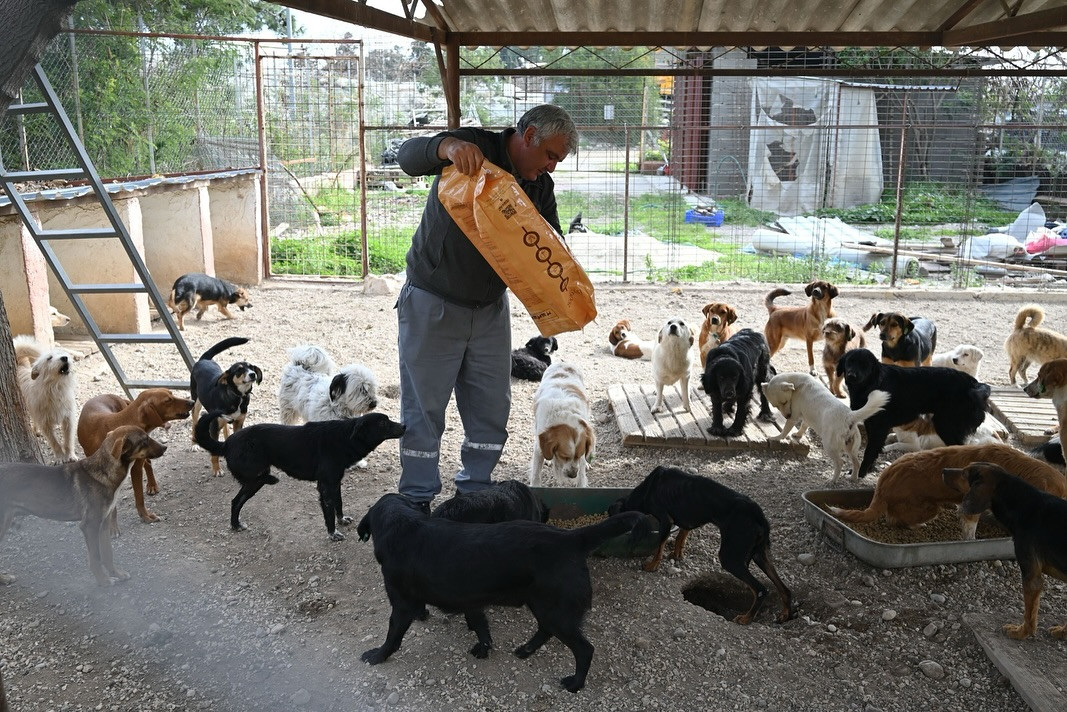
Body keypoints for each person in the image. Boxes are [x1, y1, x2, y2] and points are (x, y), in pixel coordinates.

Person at [394, 104, 579, 511]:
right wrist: (446, 146)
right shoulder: (475, 146)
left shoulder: (538, 186)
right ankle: (417, 501)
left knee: (492, 410)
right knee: (423, 410)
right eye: (550, 156)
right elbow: (407, 156)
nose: (551, 167)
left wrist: (568, 283)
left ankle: (474, 493)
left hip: (491, 311)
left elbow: (551, 245)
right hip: (432, 303)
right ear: (528, 136)